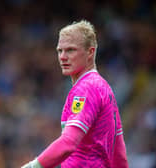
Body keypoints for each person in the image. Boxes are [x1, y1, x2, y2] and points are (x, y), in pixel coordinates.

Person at [21, 20, 129, 168]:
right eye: (60, 50)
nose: (63, 56)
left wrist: (32, 167)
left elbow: (68, 143)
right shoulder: (104, 88)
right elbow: (119, 153)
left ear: (90, 52)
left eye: (70, 50)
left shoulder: (86, 88)